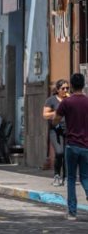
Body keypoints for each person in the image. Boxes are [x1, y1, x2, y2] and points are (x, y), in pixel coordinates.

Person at [53, 73, 88, 221]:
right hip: (86, 146)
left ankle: (72, 212)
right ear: (84, 85)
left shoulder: (67, 102)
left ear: (72, 86)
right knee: (86, 177)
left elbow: (55, 120)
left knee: (71, 179)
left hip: (72, 145)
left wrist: (56, 121)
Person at [44, 79, 69, 186]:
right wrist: (57, 112)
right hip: (55, 130)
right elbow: (45, 115)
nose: (65, 90)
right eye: (63, 88)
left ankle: (66, 177)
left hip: (68, 130)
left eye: (67, 88)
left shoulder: (69, 99)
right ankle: (57, 174)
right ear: (58, 89)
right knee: (59, 152)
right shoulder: (51, 100)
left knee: (67, 154)